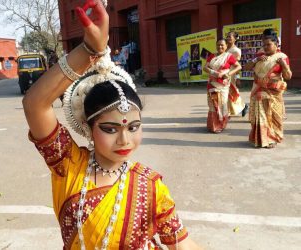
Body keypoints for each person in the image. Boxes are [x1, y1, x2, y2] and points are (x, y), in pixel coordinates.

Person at [22, 0, 202, 249]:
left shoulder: (149, 185)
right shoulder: (68, 164)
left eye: (133, 127)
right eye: (110, 129)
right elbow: (35, 104)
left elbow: (182, 244)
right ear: (88, 127)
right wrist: (89, 49)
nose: (125, 140)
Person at [244, 33, 292, 148]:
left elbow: (288, 76)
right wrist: (256, 59)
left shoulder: (282, 57)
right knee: (261, 114)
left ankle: (274, 136)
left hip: (274, 90)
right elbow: (246, 68)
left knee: (275, 115)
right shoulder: (260, 56)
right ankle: (265, 139)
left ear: (276, 44)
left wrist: (284, 65)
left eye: (268, 44)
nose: (265, 47)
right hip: (259, 89)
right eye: (264, 45)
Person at [203, 38, 242, 133]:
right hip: (212, 83)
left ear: (226, 46)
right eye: (218, 45)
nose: (220, 46)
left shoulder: (229, 56)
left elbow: (239, 66)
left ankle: (220, 125)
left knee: (222, 104)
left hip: (223, 85)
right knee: (212, 104)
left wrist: (229, 74)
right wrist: (215, 73)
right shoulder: (212, 55)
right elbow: (205, 67)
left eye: (222, 45)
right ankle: (212, 125)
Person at [226, 31, 249, 117]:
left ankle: (242, 106)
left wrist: (237, 77)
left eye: (230, 37)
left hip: (232, 74)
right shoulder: (225, 48)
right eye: (227, 36)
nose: (228, 38)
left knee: (233, 92)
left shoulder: (236, 51)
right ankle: (239, 107)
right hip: (225, 73)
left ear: (235, 39)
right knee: (227, 92)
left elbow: (238, 65)